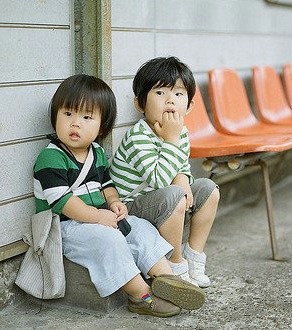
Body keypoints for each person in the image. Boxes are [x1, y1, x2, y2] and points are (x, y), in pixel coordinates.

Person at [33, 74, 205, 318]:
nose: (75, 124)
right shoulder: (51, 157)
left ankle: (166, 278)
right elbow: (63, 203)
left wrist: (114, 203)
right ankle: (142, 295)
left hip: (98, 218)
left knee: (140, 228)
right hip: (66, 227)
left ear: (102, 126)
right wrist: (97, 217)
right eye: (68, 114)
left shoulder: (97, 153)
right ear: (55, 117)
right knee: (109, 241)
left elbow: (107, 185)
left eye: (86, 117)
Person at [110, 57, 220, 288]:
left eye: (178, 94)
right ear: (140, 104)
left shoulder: (180, 131)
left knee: (209, 189)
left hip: (161, 201)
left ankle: (194, 257)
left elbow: (181, 167)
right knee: (174, 195)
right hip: (131, 207)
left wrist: (183, 180)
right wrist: (170, 140)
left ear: (189, 106)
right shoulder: (138, 136)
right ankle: (174, 263)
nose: (170, 100)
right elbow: (159, 180)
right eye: (160, 93)